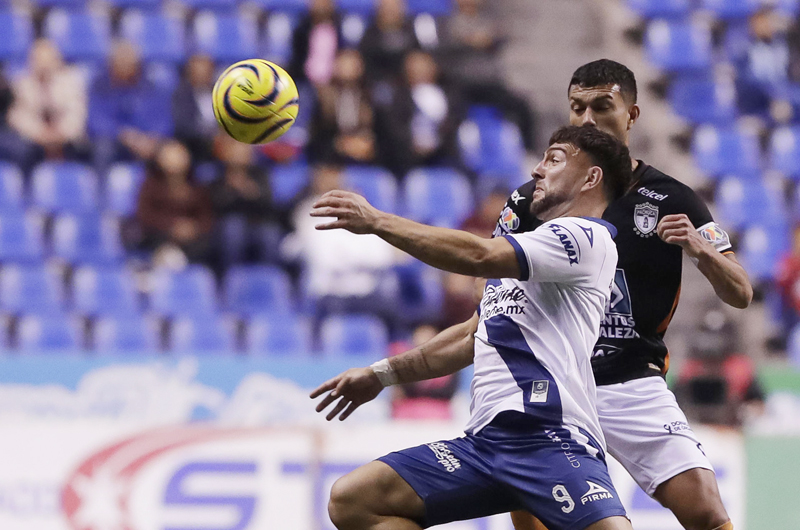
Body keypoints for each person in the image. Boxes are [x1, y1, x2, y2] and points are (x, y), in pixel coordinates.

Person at [311, 60, 752, 530]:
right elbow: (486, 317)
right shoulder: (530, 202)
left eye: (601, 107)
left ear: (632, 114)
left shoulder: (667, 199)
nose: (586, 119)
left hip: (625, 382)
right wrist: (384, 374)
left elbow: (742, 292)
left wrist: (703, 251)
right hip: (538, 388)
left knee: (705, 511)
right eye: (576, 107)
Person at [311, 125, 635, 530]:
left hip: (550, 438)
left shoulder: (587, 237)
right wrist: (381, 375)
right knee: (354, 500)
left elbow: (479, 254)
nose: (537, 170)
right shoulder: (524, 261)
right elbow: (469, 336)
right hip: (485, 446)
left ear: (591, 178)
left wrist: (378, 221)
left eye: (554, 159)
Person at [88, 41, 172, 175]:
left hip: (147, 141)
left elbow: (163, 122)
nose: (125, 67)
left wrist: (151, 139)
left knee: (171, 154)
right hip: (115, 141)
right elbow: (95, 121)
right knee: (102, 148)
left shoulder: (151, 87)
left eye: (129, 64)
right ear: (111, 65)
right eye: (120, 63)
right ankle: (101, 192)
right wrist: (124, 135)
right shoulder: (100, 86)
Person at [8, 39, 88, 162]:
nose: (43, 65)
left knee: (85, 149)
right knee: (19, 150)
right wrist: (40, 133)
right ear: (31, 62)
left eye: (47, 60)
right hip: (34, 139)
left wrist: (61, 132)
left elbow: (77, 113)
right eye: (38, 60)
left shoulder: (71, 82)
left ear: (57, 61)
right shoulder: (21, 84)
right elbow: (18, 116)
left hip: (66, 138)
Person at [136, 141, 214, 265]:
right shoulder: (150, 185)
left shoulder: (196, 186)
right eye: (170, 155)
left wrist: (193, 228)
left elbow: (206, 217)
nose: (175, 160)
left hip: (191, 240)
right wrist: (173, 226)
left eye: (180, 155)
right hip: (160, 235)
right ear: (160, 159)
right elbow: (145, 215)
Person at [172, 54, 218, 162]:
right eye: (197, 73)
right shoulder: (181, 96)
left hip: (222, 144)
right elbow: (183, 125)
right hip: (195, 145)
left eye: (206, 72)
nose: (202, 76)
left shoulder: (221, 93)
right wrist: (211, 135)